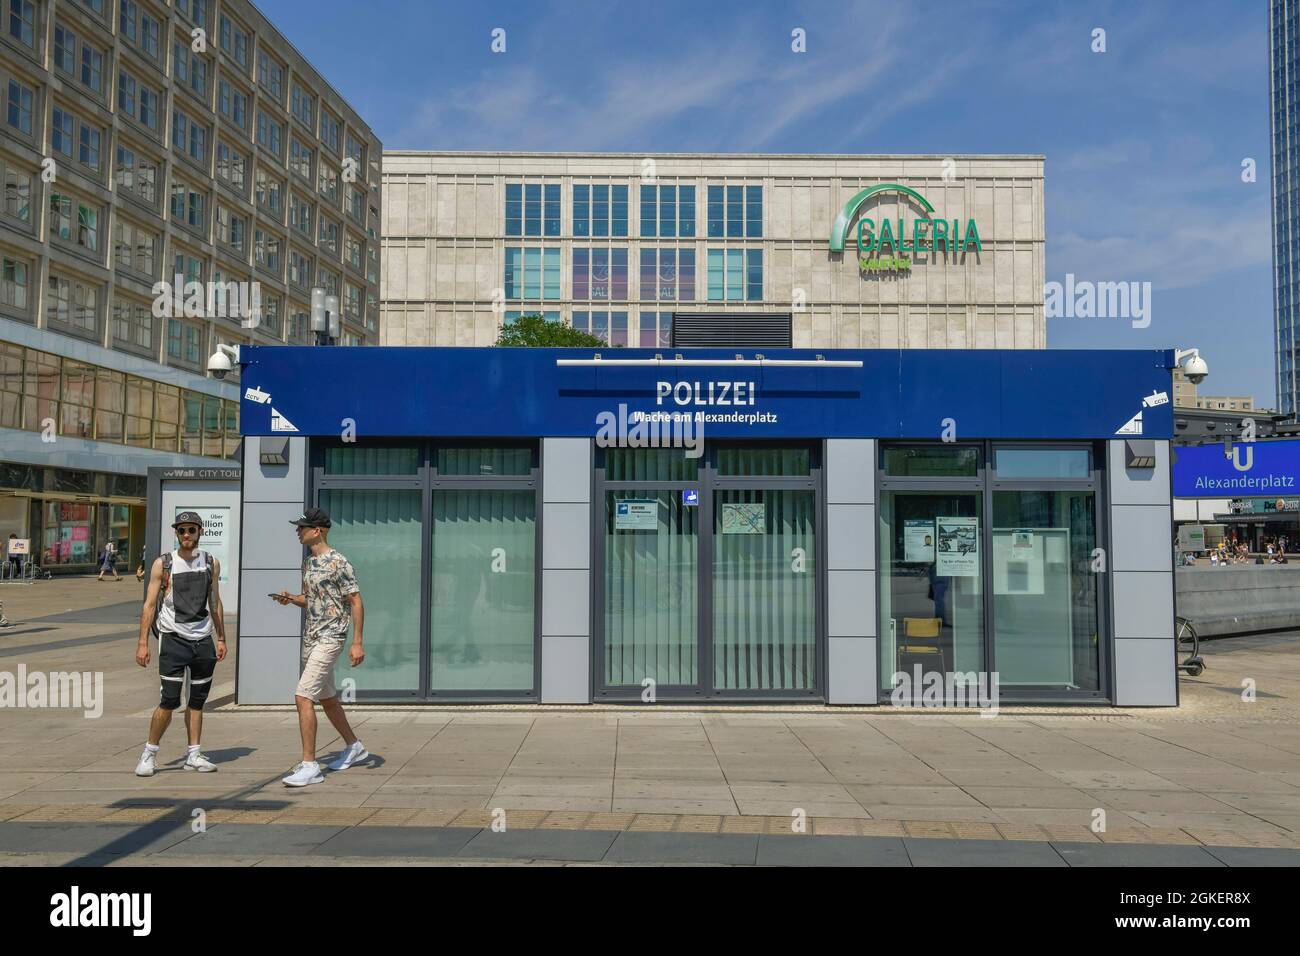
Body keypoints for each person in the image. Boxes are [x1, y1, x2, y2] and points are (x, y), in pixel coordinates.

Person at [272, 507, 367, 787]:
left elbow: (356, 602)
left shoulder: (339, 562)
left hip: (331, 637)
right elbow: (314, 600)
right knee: (327, 698)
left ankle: (310, 765)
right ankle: (354, 746)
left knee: (303, 697)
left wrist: (357, 642)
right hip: (311, 638)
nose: (297, 531)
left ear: (318, 531)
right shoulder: (308, 563)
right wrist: (292, 599)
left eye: (302, 527)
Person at [133, 513, 226, 776]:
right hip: (173, 638)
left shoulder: (210, 563)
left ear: (200, 531)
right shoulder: (163, 564)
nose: (187, 534)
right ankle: (149, 753)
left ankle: (193, 755)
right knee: (169, 700)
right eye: (182, 530)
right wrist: (142, 643)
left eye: (191, 530)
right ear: (176, 534)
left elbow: (214, 601)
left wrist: (221, 638)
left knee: (197, 701)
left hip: (202, 639)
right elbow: (150, 604)